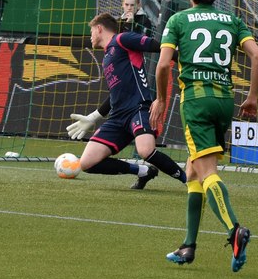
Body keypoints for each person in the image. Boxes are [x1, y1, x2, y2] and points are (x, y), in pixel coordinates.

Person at [150, 0, 258, 271]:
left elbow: (163, 65)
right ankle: (188, 246)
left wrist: (161, 99)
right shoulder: (232, 20)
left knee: (207, 171)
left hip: (196, 103)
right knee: (192, 172)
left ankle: (234, 230)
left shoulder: (178, 21)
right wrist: (252, 97)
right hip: (224, 101)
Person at [65, 13, 187, 189]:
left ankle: (189, 181)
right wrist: (92, 117)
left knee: (145, 150)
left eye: (91, 30)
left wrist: (184, 60)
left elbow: (157, 46)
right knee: (87, 163)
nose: (90, 35)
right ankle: (143, 172)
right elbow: (114, 96)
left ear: (99, 28)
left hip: (139, 109)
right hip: (117, 117)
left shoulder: (122, 39)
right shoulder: (107, 57)